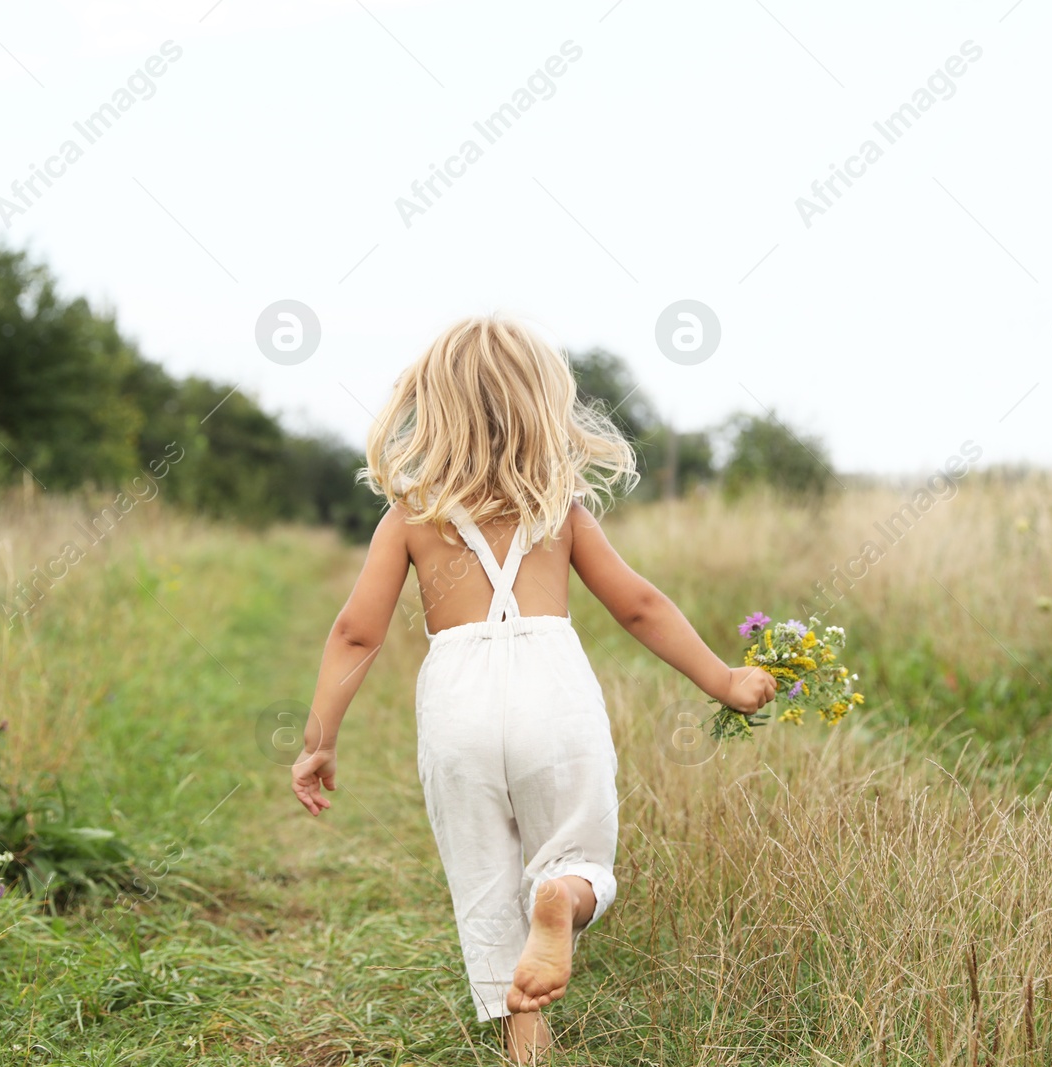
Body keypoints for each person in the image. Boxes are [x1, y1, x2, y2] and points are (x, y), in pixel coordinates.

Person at [289, 315, 776, 1062]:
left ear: (435, 407)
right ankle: (565, 900)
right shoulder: (560, 509)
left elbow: (357, 632)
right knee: (576, 854)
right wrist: (725, 678)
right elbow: (639, 605)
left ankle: (527, 1049)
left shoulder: (411, 516)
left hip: (458, 700)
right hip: (554, 691)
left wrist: (319, 740)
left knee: (486, 881)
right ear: (540, 404)